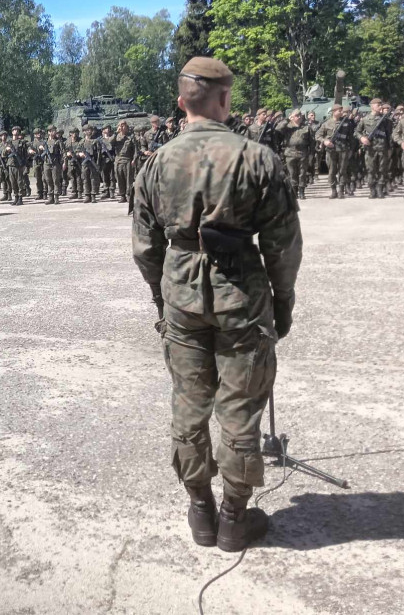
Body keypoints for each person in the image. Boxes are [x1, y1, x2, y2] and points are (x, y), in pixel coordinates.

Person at [132, 57, 302, 553]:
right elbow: (283, 244)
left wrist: (161, 300)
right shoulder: (257, 157)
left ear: (182, 101)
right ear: (224, 99)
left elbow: (145, 247)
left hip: (181, 296)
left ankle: (200, 509)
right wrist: (283, 300)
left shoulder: (156, 162)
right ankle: (233, 516)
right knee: (239, 407)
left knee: (189, 403)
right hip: (242, 298)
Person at [356, 99, 393, 199]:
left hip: (382, 148)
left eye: (381, 104)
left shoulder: (386, 120)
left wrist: (390, 148)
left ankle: (380, 189)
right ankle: (372, 190)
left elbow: (389, 136)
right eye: (378, 105)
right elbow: (357, 132)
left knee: (382, 169)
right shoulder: (365, 119)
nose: (380, 106)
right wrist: (362, 138)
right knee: (371, 170)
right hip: (370, 149)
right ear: (372, 106)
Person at [316, 105, 354, 199]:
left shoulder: (347, 122)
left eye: (342, 110)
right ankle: (333, 190)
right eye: (339, 110)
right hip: (331, 150)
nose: (341, 112)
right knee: (332, 171)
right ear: (333, 111)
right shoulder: (326, 123)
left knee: (342, 170)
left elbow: (351, 138)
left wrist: (351, 150)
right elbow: (318, 135)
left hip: (343, 149)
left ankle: (341, 190)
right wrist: (325, 141)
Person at [282, 110, 314, 200]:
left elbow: (312, 142)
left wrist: (311, 154)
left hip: (302, 153)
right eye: (296, 115)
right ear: (292, 116)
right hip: (290, 153)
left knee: (302, 173)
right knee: (292, 173)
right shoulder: (287, 127)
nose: (299, 117)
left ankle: (301, 191)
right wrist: (287, 120)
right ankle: (294, 191)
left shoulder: (306, 128)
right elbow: (278, 129)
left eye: (300, 115)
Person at [44, 126, 64, 204]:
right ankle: (50, 197)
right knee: (48, 180)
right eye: (52, 131)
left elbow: (63, 152)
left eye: (54, 131)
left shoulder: (58, 141)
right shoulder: (45, 141)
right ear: (48, 132)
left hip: (55, 163)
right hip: (46, 163)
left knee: (56, 180)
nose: (54, 132)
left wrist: (64, 162)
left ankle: (56, 197)